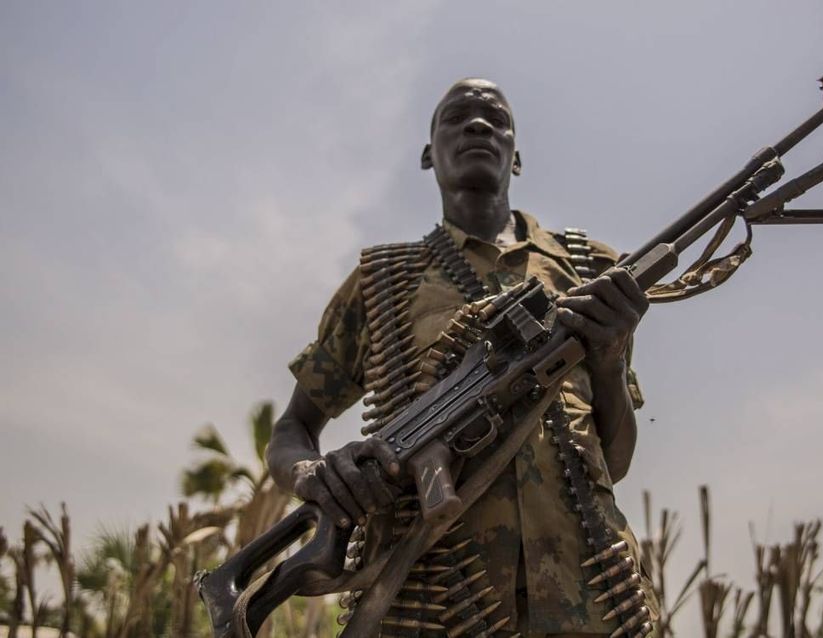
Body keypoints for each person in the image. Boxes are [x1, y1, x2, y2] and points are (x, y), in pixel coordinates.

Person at [266, 78, 659, 636]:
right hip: (432, 603)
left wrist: (611, 359)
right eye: (456, 117)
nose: (477, 125)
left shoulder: (591, 267)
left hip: (592, 595)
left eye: (495, 118)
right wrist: (316, 476)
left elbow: (613, 463)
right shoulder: (382, 281)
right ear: (429, 154)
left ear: (515, 155)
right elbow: (292, 429)